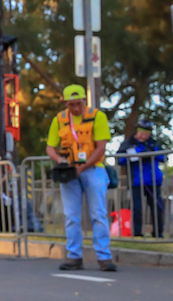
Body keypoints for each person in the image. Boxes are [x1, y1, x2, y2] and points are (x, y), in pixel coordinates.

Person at [45, 84, 116, 272]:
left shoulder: (97, 116)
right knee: (71, 216)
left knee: (99, 214)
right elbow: (50, 147)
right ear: (66, 103)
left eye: (78, 103)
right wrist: (60, 160)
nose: (75, 108)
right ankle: (74, 256)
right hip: (69, 171)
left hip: (94, 169)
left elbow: (101, 147)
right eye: (71, 104)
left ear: (84, 100)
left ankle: (104, 256)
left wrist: (83, 167)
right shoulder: (59, 119)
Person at [117, 120, 165, 238]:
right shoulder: (129, 143)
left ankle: (158, 233)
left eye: (147, 133)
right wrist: (138, 154)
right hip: (136, 181)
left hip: (153, 181)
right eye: (142, 132)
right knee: (137, 208)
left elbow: (162, 157)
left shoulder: (154, 143)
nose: (144, 135)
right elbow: (120, 159)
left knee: (157, 207)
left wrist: (150, 153)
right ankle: (137, 233)